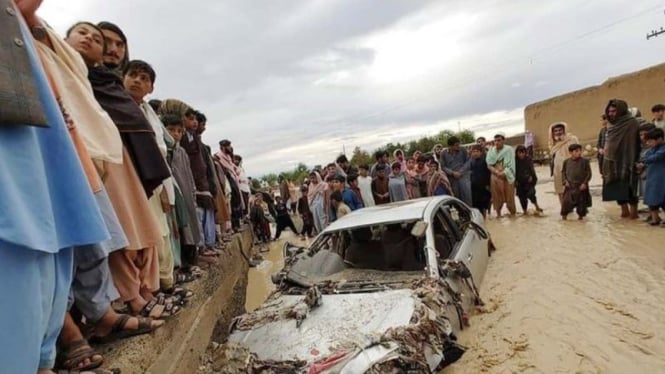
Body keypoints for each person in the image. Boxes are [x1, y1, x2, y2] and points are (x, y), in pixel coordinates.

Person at [1, 4, 110, 372]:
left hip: (21, 77)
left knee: (51, 232)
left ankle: (42, 359)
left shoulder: (28, 32)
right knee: (21, 234)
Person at [602, 99, 641, 219]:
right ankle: (624, 212)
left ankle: (634, 214)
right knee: (616, 188)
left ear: (621, 110)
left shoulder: (632, 123)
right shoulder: (611, 125)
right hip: (612, 164)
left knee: (630, 188)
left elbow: (640, 143)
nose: (611, 114)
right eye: (609, 111)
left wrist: (640, 161)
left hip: (628, 161)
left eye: (614, 111)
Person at [486, 133, 517, 217]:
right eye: (495, 140)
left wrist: (504, 173)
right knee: (496, 197)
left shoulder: (509, 149)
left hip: (507, 175)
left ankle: (513, 215)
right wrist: (496, 172)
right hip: (495, 175)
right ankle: (498, 215)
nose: (497, 142)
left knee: (510, 197)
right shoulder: (491, 151)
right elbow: (488, 164)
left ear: (503, 140)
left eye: (499, 140)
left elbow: (511, 163)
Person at [548, 122, 579, 205]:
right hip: (558, 172)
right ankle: (564, 210)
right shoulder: (553, 144)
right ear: (553, 133)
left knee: (574, 191)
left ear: (564, 130)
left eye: (560, 130)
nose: (558, 132)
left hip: (571, 170)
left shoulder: (572, 139)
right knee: (560, 191)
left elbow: (578, 154)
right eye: (556, 131)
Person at [639, 128, 665, 226]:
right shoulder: (652, 149)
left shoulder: (663, 149)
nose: (648, 143)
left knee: (662, 199)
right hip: (652, 178)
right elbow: (648, 157)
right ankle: (655, 219)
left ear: (659, 139)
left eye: (650, 141)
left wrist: (645, 160)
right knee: (651, 199)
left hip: (661, 179)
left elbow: (654, 157)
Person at [561, 144, 592, 220]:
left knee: (581, 209)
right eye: (576, 151)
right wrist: (565, 181)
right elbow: (563, 172)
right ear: (571, 152)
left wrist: (584, 183)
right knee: (565, 206)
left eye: (580, 150)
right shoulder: (566, 162)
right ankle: (564, 222)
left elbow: (589, 173)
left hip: (581, 187)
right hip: (570, 187)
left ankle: (581, 224)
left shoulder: (585, 161)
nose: (579, 152)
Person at [440, 136, 472, 205]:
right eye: (456, 145)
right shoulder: (443, 153)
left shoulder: (463, 150)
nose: (458, 146)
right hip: (452, 178)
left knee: (467, 195)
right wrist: (452, 173)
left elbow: (468, 162)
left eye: (458, 144)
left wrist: (461, 171)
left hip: (464, 176)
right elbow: (443, 167)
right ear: (450, 146)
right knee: (456, 196)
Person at [515, 145, 543, 214]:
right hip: (519, 182)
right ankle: (525, 211)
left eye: (523, 152)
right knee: (522, 198)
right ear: (517, 153)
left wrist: (532, 176)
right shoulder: (514, 161)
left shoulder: (528, 159)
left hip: (528, 181)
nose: (521, 155)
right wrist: (514, 181)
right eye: (519, 153)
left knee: (531, 194)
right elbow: (513, 171)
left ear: (525, 152)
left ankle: (537, 206)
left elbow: (531, 169)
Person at [470, 145, 492, 218]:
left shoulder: (485, 161)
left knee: (484, 204)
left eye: (477, 151)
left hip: (484, 187)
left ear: (481, 152)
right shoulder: (471, 161)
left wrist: (488, 184)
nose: (475, 153)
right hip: (474, 187)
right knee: (475, 204)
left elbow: (488, 173)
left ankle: (485, 218)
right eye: (474, 151)